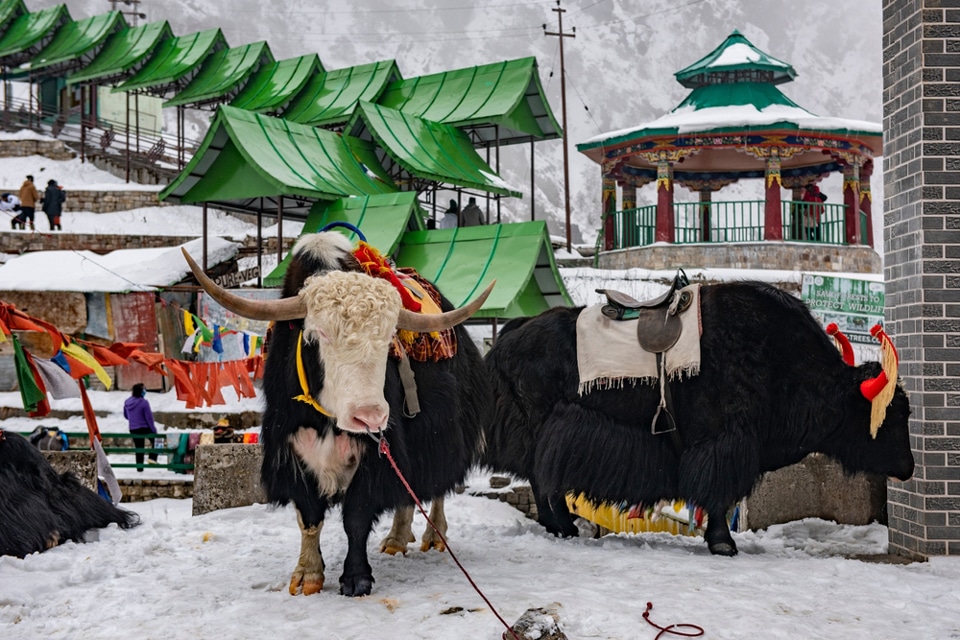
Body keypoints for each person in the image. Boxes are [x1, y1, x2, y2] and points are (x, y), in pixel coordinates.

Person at [124, 383, 158, 471]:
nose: (145, 391)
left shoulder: (127, 402)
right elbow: (149, 418)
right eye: (144, 389)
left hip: (133, 428)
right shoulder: (144, 403)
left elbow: (126, 415)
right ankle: (152, 458)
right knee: (158, 441)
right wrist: (153, 430)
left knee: (139, 447)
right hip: (144, 427)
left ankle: (139, 468)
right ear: (141, 391)